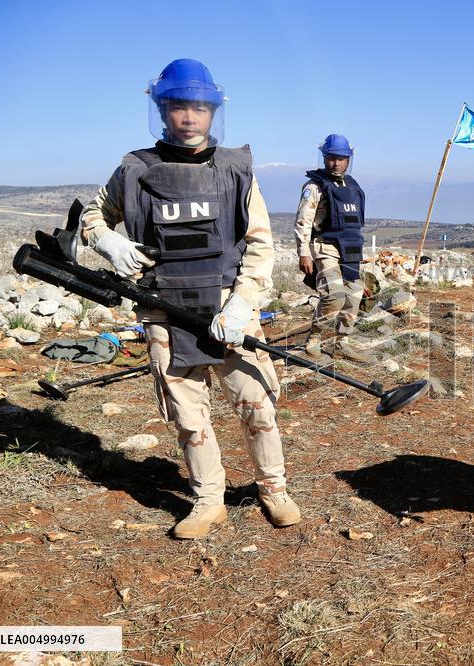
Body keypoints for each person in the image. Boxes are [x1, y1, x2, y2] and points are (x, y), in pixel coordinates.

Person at [79, 58, 300, 539]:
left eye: (199, 108)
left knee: (257, 403)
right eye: (178, 106)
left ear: (212, 112)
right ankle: (207, 500)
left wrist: (242, 305)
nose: (189, 117)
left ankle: (274, 488)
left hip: (228, 307)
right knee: (187, 413)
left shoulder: (237, 170)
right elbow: (92, 216)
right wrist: (108, 241)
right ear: (162, 110)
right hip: (164, 309)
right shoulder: (135, 170)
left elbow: (261, 244)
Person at [295, 134, 371, 362]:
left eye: (341, 158)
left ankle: (342, 343)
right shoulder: (314, 186)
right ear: (324, 158)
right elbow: (303, 221)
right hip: (325, 247)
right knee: (334, 296)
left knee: (353, 298)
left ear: (348, 159)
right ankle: (313, 340)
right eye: (331, 158)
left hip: (351, 250)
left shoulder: (353, 186)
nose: (336, 163)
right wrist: (304, 253)